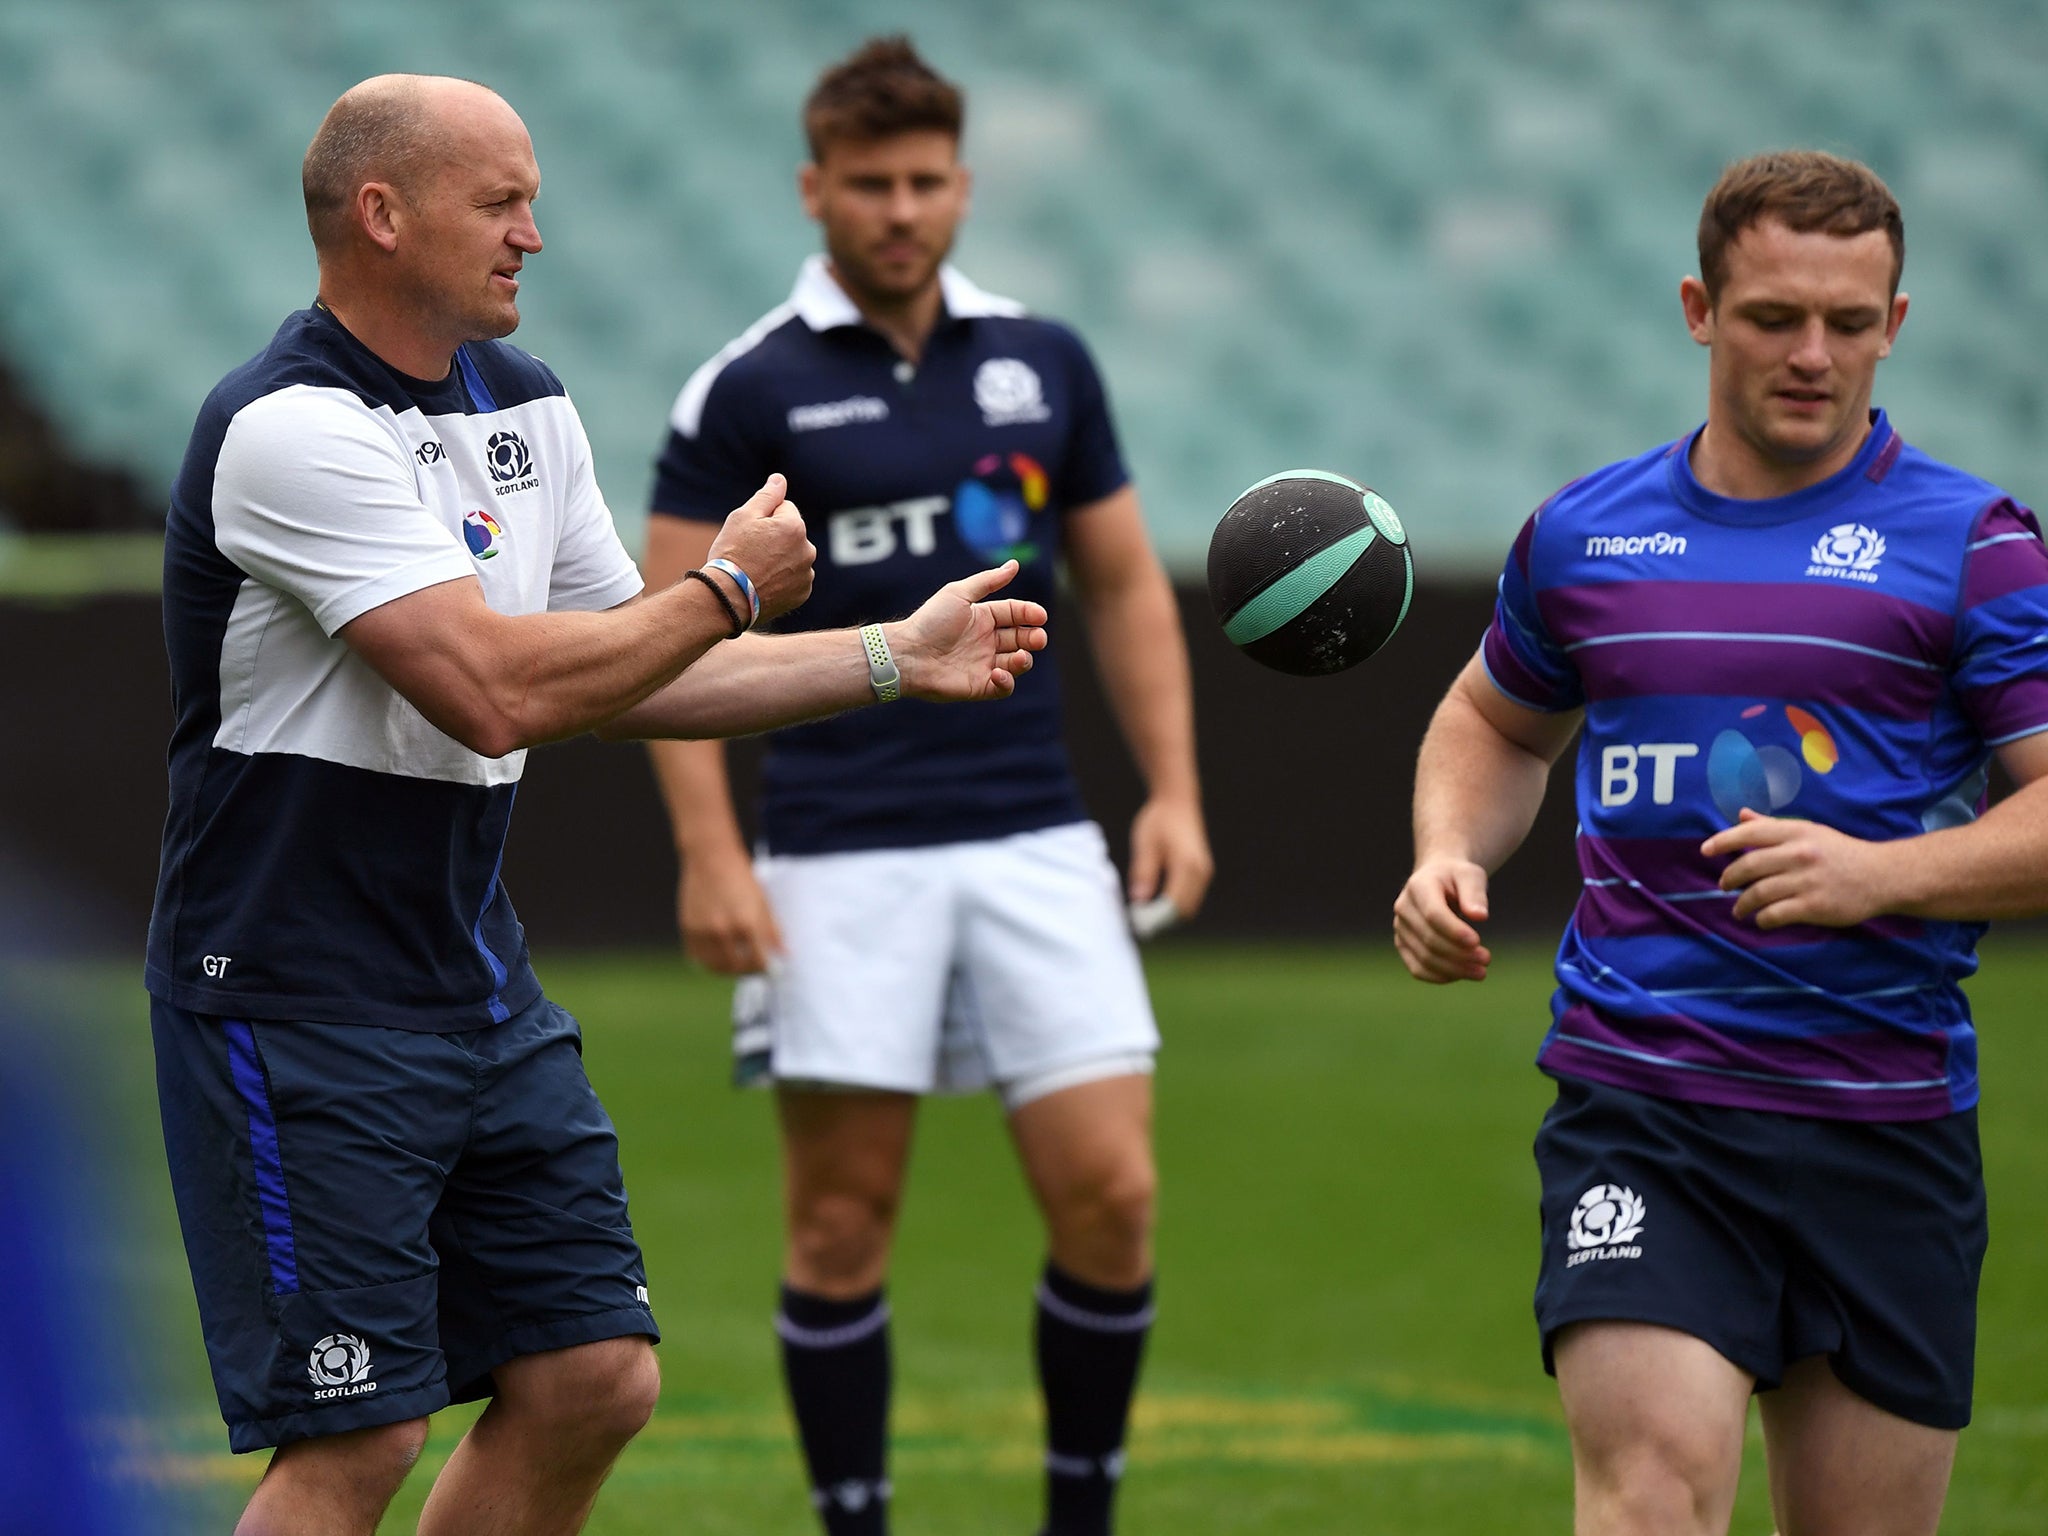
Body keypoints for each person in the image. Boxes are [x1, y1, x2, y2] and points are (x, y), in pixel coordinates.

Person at [147, 73, 1047, 1536]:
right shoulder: (287, 429)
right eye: (502, 202)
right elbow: (497, 693)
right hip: (295, 997)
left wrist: (895, 652)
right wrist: (729, 587)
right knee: (355, 1443)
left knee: (592, 1379)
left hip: (472, 985)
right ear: (384, 215)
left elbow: (625, 670)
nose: (534, 236)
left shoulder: (527, 402)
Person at [1394, 149, 2048, 1536]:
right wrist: (1448, 849)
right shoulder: (1585, 538)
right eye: (1772, 318)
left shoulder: (1973, 546)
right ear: (1700, 309)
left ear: (1896, 325)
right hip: (1647, 1107)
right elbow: (1494, 723)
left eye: (1850, 323)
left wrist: (1880, 877)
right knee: (1648, 1495)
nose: (1814, 354)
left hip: (1886, 1125)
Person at [643, 37, 1211, 1536]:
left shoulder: (1045, 362)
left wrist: (1175, 792)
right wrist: (712, 852)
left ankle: (1078, 1517)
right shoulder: (744, 389)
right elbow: (658, 646)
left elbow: (1129, 588)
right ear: (813, 189)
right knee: (840, 1223)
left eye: (924, 183)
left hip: (1035, 829)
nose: (899, 211)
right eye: (869, 185)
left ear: (961, 187)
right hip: (835, 849)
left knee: (1114, 1199)